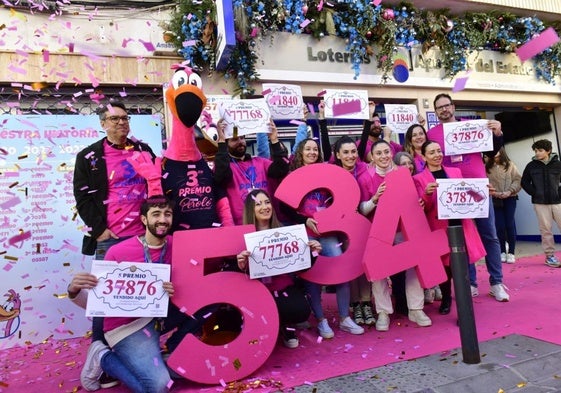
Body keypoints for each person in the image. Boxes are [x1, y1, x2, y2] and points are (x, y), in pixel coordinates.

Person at [73, 100, 156, 390]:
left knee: (141, 296)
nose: (122, 123)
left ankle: (140, 351)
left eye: (125, 118)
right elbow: (82, 197)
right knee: (103, 300)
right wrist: (100, 230)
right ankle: (100, 353)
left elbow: (156, 186)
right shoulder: (88, 156)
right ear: (103, 123)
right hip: (110, 239)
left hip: (143, 237)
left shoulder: (144, 150)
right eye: (115, 119)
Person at [68, 196, 176, 392]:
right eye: (156, 214)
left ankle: (162, 358)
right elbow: (100, 303)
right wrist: (74, 291)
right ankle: (103, 357)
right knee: (159, 387)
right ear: (144, 219)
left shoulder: (178, 245)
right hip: (127, 327)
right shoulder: (118, 252)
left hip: (161, 318)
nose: (162, 220)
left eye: (167, 214)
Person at [427, 93, 509, 302]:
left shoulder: (473, 126)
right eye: (439, 108)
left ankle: (496, 282)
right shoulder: (432, 133)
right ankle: (470, 282)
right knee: (462, 240)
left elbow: (491, 152)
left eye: (446, 105)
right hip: (452, 190)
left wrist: (498, 133)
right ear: (435, 112)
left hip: (477, 189)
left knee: (489, 234)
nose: (444, 110)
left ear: (453, 107)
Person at [282, 138, 364, 338]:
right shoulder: (292, 176)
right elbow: (284, 206)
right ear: (300, 152)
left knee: (341, 272)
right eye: (307, 149)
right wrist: (303, 221)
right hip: (306, 233)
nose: (312, 152)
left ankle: (345, 318)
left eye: (315, 149)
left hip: (329, 233)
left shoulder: (328, 171)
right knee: (313, 278)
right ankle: (321, 320)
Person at [236, 189, 321, 348]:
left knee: (301, 310)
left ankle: (285, 327)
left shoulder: (284, 232)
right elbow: (239, 273)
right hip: (256, 291)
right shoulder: (243, 236)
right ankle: (268, 328)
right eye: (258, 204)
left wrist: (314, 252)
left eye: (267, 202)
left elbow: (302, 267)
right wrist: (241, 265)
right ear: (251, 209)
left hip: (282, 287)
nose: (264, 207)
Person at [362, 140, 432, 330]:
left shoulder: (404, 175)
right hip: (379, 234)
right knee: (378, 272)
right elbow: (361, 209)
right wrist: (375, 199)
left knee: (413, 267)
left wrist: (420, 202)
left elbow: (417, 199)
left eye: (386, 152)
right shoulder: (365, 178)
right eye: (379, 153)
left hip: (403, 230)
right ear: (373, 157)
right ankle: (383, 312)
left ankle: (415, 308)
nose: (384, 156)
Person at [413, 141, 486, 315]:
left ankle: (464, 305)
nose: (437, 155)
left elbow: (466, 192)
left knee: (461, 267)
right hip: (439, 228)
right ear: (423, 156)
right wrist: (427, 194)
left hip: (460, 223)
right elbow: (423, 208)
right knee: (445, 267)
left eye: (439, 151)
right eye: (431, 152)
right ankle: (446, 298)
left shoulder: (455, 171)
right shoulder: (418, 179)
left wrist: (481, 193)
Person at [332, 136, 376, 327]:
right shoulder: (331, 174)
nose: (350, 156)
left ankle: (366, 303)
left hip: (365, 224)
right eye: (346, 152)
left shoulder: (366, 170)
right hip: (342, 229)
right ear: (338, 155)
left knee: (364, 264)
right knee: (350, 265)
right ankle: (355, 303)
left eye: (353, 152)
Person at [213, 119, 290, 225]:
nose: (240, 142)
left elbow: (281, 169)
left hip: (267, 223)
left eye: (242, 138)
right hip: (241, 225)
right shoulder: (227, 167)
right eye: (234, 139)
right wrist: (221, 141)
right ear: (227, 144)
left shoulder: (261, 162)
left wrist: (274, 140)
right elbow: (220, 177)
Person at [521, 139, 561, 268]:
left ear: (548, 151)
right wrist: (535, 193)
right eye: (536, 151)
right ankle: (550, 257)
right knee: (546, 230)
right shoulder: (531, 166)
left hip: (557, 201)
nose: (537, 153)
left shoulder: (558, 164)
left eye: (540, 150)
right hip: (540, 203)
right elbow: (524, 182)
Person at [486, 146, 522, 264]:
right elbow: (483, 183)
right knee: (499, 225)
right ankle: (502, 250)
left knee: (509, 224)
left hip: (510, 198)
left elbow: (517, 180)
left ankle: (511, 252)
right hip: (495, 199)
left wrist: (509, 191)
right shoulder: (486, 167)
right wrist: (494, 193)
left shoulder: (510, 165)